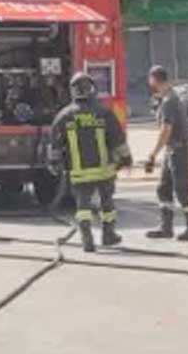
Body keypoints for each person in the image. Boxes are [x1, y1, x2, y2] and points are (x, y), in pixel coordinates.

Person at [49, 70, 132, 251]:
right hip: (104, 171)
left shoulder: (63, 116)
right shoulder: (104, 113)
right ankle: (108, 235)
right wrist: (126, 159)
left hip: (79, 172)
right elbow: (118, 139)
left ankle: (87, 240)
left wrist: (55, 164)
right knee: (107, 204)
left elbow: (55, 144)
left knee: (83, 206)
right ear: (92, 89)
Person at [143, 65, 188, 241]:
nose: (149, 85)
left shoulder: (169, 101)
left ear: (155, 80)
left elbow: (165, 130)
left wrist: (152, 154)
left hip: (180, 149)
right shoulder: (167, 98)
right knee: (163, 188)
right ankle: (165, 227)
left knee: (182, 189)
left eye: (150, 81)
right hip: (173, 149)